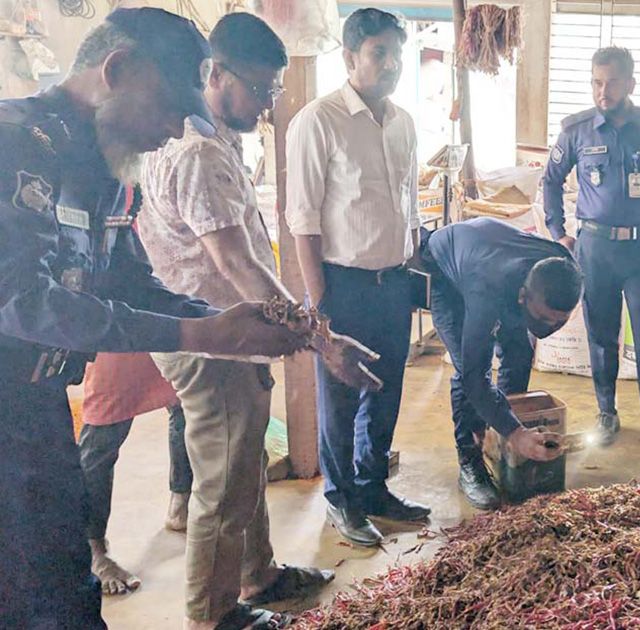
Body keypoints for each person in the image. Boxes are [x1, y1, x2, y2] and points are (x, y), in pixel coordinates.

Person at [0, 8, 310, 629]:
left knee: (63, 582)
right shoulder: (17, 145)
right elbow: (20, 300)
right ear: (117, 70)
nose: (173, 130)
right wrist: (196, 333)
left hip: (37, 405)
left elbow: (131, 281)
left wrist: (223, 321)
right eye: (167, 108)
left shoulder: (111, 169)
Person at [141, 14, 376, 629]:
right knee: (223, 484)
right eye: (260, 89)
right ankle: (213, 614)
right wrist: (320, 338)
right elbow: (238, 263)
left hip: (230, 332)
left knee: (243, 465)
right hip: (212, 340)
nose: (269, 104)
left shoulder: (212, 136)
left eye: (275, 89)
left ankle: (259, 576)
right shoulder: (196, 152)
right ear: (214, 73)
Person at [286, 8, 430, 548]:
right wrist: (320, 308)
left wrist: (411, 264)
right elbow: (302, 221)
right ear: (349, 56)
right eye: (378, 53)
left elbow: (409, 205)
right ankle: (341, 498)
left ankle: (373, 488)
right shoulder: (318, 121)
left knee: (385, 389)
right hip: (341, 286)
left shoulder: (404, 123)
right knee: (341, 397)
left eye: (397, 54)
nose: (391, 64)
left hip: (393, 282)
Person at [541, 46, 640, 454]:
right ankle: (606, 414)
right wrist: (559, 232)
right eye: (596, 82)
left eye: (611, 83)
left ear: (630, 84)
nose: (602, 92)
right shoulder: (576, 131)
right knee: (601, 335)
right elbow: (550, 180)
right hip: (595, 250)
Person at [421, 217, 582, 509]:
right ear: (522, 297)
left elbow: (521, 349)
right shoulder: (486, 288)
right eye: (544, 318)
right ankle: (470, 462)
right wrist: (516, 432)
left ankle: (501, 445)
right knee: (467, 367)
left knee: (519, 354)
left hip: (493, 254)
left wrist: (508, 428)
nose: (550, 327)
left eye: (560, 322)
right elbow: (475, 377)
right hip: (448, 272)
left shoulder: (563, 267)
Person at [79, 349, 193, 596]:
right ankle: (92, 547)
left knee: (187, 402)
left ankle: (181, 503)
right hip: (118, 337)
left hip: (165, 333)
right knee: (103, 426)